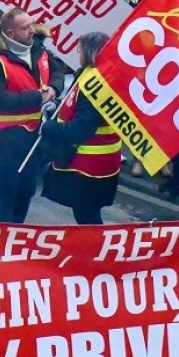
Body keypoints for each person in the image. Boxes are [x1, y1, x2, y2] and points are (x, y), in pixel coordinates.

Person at [0, 7, 64, 223]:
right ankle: (1, 241)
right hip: (5, 140)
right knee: (6, 194)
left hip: (35, 137)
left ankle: (16, 236)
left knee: (26, 192)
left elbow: (57, 72)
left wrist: (54, 88)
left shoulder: (39, 49)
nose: (31, 30)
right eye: (25, 27)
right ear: (10, 33)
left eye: (31, 24)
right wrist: (38, 97)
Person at [40, 32, 120, 224]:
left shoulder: (94, 84)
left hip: (89, 164)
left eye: (80, 49)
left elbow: (80, 129)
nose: (78, 53)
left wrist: (48, 127)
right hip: (100, 162)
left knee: (87, 215)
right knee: (86, 212)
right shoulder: (96, 75)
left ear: (90, 51)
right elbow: (76, 104)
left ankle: (96, 250)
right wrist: (58, 105)